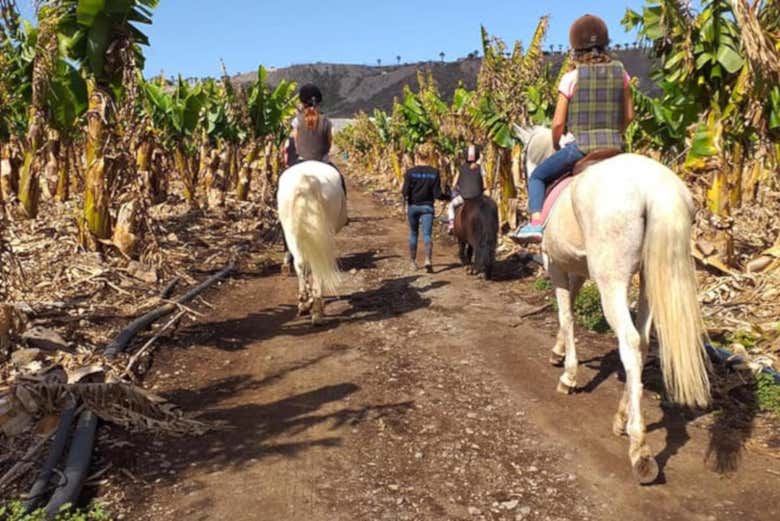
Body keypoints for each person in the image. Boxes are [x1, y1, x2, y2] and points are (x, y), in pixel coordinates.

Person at [510, 14, 634, 243]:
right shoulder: (622, 73)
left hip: (582, 148)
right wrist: (616, 134)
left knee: (537, 176)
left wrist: (557, 143)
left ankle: (536, 224)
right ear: (605, 45)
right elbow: (629, 115)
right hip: (616, 146)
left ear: (576, 49)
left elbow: (558, 123)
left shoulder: (570, 78)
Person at [291, 84, 347, 196]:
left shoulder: (297, 121)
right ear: (319, 102)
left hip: (301, 160)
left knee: (281, 182)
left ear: (302, 103)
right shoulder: (326, 121)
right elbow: (329, 143)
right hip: (323, 161)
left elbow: (295, 142)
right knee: (341, 183)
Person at [402, 142, 448, 272]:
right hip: (427, 207)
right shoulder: (434, 172)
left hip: (413, 207)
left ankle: (412, 262)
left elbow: (404, 192)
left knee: (413, 233)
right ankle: (428, 260)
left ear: (417, 155)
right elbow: (437, 194)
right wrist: (446, 198)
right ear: (429, 156)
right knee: (427, 234)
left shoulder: (410, 173)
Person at [445, 144, 485, 234]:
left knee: (450, 206)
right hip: (477, 199)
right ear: (477, 156)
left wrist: (455, 190)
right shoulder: (480, 168)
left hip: (464, 198)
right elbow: (485, 184)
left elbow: (454, 184)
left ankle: (451, 224)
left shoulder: (461, 168)